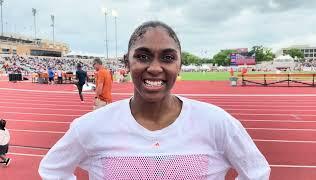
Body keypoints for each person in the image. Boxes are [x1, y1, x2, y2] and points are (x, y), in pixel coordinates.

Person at [39, 21, 270, 179]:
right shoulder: (91, 126)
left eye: (168, 58)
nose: (155, 68)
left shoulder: (217, 123)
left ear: (179, 65)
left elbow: (257, 172)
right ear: (127, 63)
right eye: (143, 56)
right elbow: (52, 170)